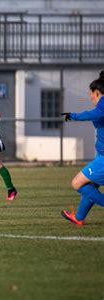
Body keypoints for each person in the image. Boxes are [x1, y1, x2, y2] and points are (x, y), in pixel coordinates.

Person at [61, 71, 104, 226]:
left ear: (97, 93)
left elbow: (94, 113)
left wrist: (73, 115)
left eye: (90, 93)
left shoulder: (103, 104)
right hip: (101, 156)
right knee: (90, 185)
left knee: (76, 183)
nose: (90, 96)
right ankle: (78, 217)